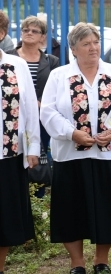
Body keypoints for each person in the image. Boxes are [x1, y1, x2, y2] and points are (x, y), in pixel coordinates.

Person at [41, 23, 111, 274]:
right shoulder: (59, 76)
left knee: (106, 206)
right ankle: (77, 263)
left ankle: (101, 260)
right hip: (70, 154)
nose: (93, 48)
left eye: (95, 42)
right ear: (73, 49)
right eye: (86, 44)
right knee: (70, 208)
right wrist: (71, 133)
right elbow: (47, 111)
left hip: (107, 154)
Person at [0, 46, 41, 274]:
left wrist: (33, 145)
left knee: (4, 214)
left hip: (8, 152)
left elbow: (29, 107)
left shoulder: (17, 65)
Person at [7, 16, 60, 198]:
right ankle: (19, 192)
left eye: (34, 31)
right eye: (26, 30)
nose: (29, 33)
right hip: (13, 118)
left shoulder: (51, 61)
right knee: (15, 157)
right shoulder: (10, 57)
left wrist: (41, 103)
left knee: (39, 156)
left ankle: (37, 196)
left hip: (42, 118)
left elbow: (56, 88)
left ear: (43, 37)